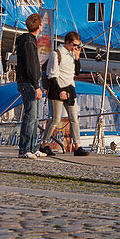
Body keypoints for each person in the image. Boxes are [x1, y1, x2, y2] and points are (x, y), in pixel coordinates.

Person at [40, 31, 89, 156]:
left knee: (74, 118)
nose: (76, 47)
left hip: (70, 87)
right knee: (56, 119)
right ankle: (44, 143)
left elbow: (77, 72)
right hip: (57, 88)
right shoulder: (56, 54)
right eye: (74, 44)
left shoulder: (72, 54)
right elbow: (52, 75)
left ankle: (77, 145)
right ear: (67, 42)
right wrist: (60, 91)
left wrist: (77, 58)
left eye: (78, 45)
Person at [15, 13, 44, 158]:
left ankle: (32, 147)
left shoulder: (30, 41)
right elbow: (30, 66)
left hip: (30, 82)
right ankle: (25, 149)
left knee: (36, 116)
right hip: (29, 83)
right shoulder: (28, 42)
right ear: (39, 26)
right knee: (30, 116)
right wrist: (36, 85)